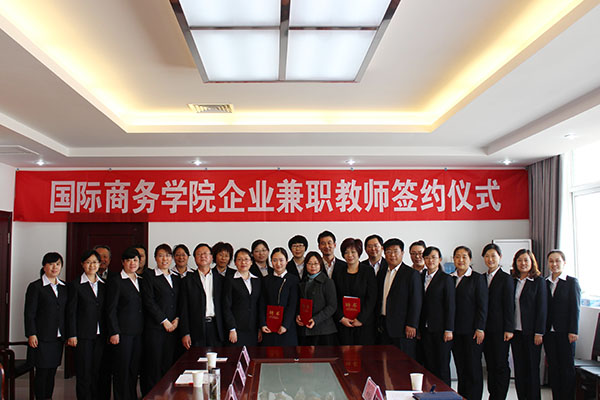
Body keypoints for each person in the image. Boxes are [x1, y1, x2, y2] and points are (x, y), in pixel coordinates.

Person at [25, 252, 68, 400]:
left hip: (58, 337)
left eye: (58, 264)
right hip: (41, 337)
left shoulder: (64, 287)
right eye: (51, 264)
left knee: (52, 371)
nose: (54, 267)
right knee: (42, 372)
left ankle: (48, 397)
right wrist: (31, 333)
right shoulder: (36, 287)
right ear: (44, 267)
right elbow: (29, 313)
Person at [140, 244, 181, 396]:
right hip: (156, 328)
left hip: (173, 328)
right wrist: (164, 321)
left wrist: (177, 319)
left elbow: (180, 301)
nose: (165, 259)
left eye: (168, 256)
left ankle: (167, 395)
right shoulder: (149, 276)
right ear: (155, 258)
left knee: (168, 364)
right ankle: (153, 396)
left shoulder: (176, 277)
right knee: (154, 365)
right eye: (161, 255)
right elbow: (149, 301)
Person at [66, 250, 106, 400]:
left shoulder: (103, 285)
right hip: (82, 336)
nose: (92, 265)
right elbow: (71, 312)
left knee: (97, 372)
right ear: (82, 264)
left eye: (95, 262)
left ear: (99, 264)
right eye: (88, 262)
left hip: (100, 336)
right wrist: (72, 334)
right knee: (84, 373)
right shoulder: (75, 285)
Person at [106, 247, 144, 400]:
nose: (132, 263)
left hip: (138, 332)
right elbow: (111, 309)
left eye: (135, 260)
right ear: (123, 262)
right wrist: (114, 331)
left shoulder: (141, 280)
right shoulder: (116, 281)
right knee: (122, 369)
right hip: (122, 333)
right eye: (129, 260)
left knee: (133, 369)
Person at [451, 246, 488, 400]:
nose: (460, 260)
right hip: (455, 331)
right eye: (457, 256)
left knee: (473, 369)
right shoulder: (450, 278)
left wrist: (480, 328)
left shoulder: (477, 278)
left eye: (464, 257)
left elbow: (482, 305)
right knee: (461, 368)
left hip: (472, 332)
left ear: (470, 259)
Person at [376, 238, 422, 358]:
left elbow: (416, 301)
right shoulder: (382, 273)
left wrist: (412, 324)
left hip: (403, 327)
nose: (392, 255)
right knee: (385, 360)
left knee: (403, 361)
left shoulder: (411, 274)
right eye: (388, 252)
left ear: (402, 253)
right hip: (384, 325)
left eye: (395, 251)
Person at [544, 250, 581, 400]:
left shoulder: (571, 282)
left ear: (564, 263)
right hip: (549, 333)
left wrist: (573, 330)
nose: (554, 264)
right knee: (553, 368)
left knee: (566, 369)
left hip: (566, 333)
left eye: (557, 261)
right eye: (551, 261)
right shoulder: (545, 283)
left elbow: (575, 308)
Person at [511, 249, 547, 400]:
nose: (523, 263)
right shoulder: (513, 281)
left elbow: (542, 308)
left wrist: (539, 332)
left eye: (526, 260)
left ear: (532, 262)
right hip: (516, 332)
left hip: (532, 333)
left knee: (532, 369)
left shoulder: (539, 281)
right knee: (519, 369)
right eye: (519, 260)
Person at [481, 243, 514, 400]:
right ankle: (492, 394)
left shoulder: (506, 278)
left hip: (500, 329)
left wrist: (509, 328)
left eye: (493, 256)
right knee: (490, 364)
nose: (490, 259)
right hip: (485, 329)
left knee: (500, 364)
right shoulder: (482, 278)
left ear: (500, 257)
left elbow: (509, 305)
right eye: (487, 256)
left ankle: (499, 396)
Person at [420, 246, 455, 386]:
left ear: (439, 259)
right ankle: (431, 392)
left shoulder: (446, 279)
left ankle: (445, 393)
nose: (430, 260)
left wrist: (449, 329)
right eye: (427, 258)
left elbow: (450, 305)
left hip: (441, 329)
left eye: (433, 257)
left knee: (442, 365)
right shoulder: (420, 277)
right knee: (429, 364)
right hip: (425, 329)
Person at [179, 243, 225, 348]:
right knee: (197, 357)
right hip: (195, 328)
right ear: (195, 259)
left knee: (217, 357)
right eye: (199, 254)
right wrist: (185, 332)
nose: (203, 256)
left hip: (216, 328)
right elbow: (183, 308)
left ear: (211, 257)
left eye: (205, 253)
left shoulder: (221, 280)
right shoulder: (187, 281)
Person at [334, 238, 377, 345]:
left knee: (364, 353)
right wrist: (341, 318)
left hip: (364, 323)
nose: (350, 255)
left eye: (353, 252)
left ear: (359, 253)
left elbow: (372, 298)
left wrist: (361, 319)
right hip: (344, 323)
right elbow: (334, 297)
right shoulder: (338, 272)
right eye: (346, 252)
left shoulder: (368, 271)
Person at [259, 247, 299, 346]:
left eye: (281, 260)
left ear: (287, 261)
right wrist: (263, 324)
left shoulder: (293, 280)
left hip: (287, 327)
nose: (278, 263)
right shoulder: (266, 280)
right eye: (275, 260)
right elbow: (261, 303)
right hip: (268, 327)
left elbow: (292, 305)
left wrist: (285, 325)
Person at [296, 251, 338, 345]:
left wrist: (316, 319)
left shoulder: (327, 282)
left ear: (320, 264)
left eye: (316, 263)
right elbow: (299, 304)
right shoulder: (303, 282)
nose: (313, 266)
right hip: (305, 330)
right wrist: (298, 315)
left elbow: (332, 306)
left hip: (324, 330)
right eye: (309, 263)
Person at [223, 248, 262, 346]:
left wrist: (260, 327)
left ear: (251, 262)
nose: (243, 262)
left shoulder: (257, 280)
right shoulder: (230, 280)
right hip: (237, 329)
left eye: (246, 259)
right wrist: (232, 328)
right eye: (239, 259)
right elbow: (226, 306)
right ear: (235, 263)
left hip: (253, 329)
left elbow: (259, 305)